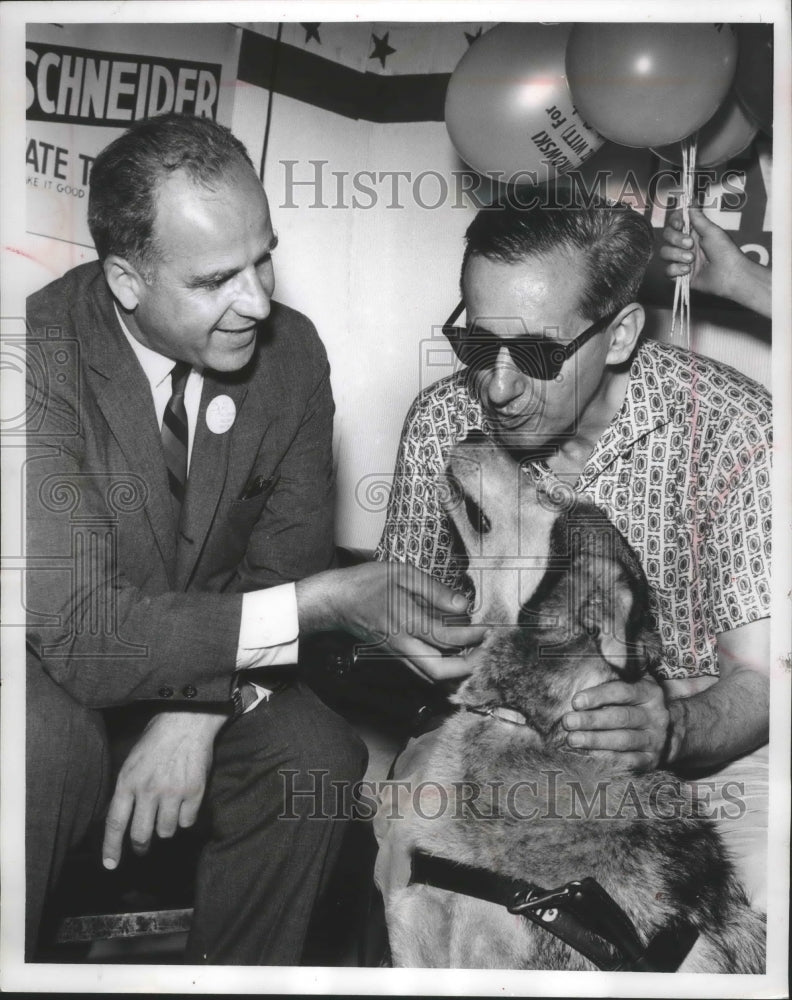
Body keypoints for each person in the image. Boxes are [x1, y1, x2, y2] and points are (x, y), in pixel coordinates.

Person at [25, 113, 484, 964]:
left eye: (264, 256)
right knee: (45, 746)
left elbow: (282, 561)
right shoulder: (31, 363)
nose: (260, 301)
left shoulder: (294, 356)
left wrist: (193, 714)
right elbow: (82, 634)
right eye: (216, 280)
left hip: (202, 667)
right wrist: (324, 604)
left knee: (316, 753)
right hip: (51, 673)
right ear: (126, 281)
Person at [373, 199, 771, 909]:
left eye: (537, 354)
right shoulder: (441, 423)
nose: (496, 388)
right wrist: (403, 641)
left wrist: (672, 728)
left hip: (699, 750)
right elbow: (397, 622)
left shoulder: (738, 429)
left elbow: (763, 677)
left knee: (763, 889)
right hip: (493, 739)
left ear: (618, 335)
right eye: (476, 345)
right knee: (411, 864)